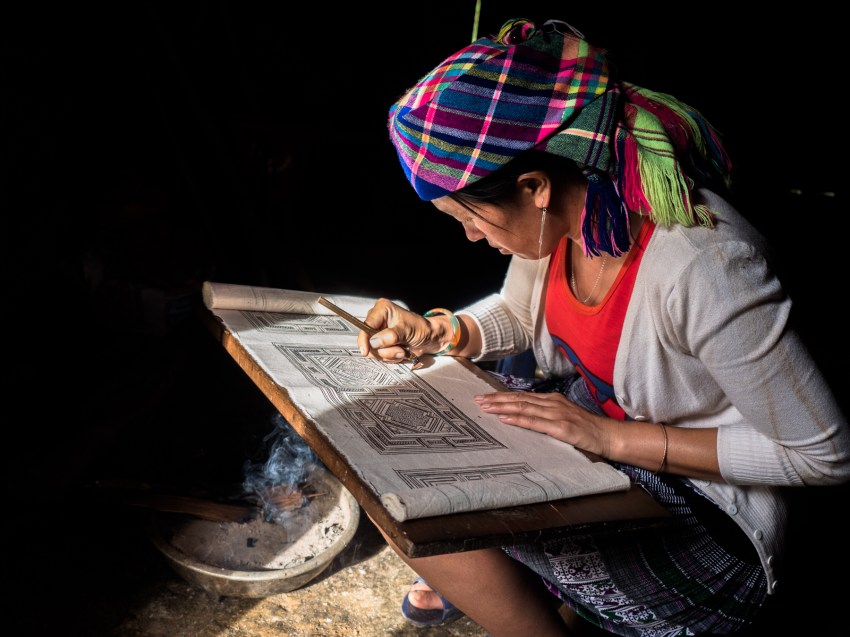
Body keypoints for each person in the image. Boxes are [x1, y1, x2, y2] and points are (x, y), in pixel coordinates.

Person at [356, 17, 850, 637]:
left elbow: (822, 456)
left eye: (469, 217)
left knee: (431, 515)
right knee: (395, 472)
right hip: (611, 447)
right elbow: (521, 315)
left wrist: (609, 438)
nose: (472, 235)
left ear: (534, 186)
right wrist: (442, 331)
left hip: (711, 521)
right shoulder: (569, 217)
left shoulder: (705, 268)